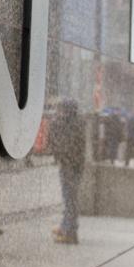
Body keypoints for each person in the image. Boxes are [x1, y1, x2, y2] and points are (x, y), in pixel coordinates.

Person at [50, 99, 86, 244]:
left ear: (66, 110)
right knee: (70, 198)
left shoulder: (68, 124)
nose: (59, 112)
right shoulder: (78, 122)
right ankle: (66, 226)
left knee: (70, 198)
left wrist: (59, 156)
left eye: (61, 109)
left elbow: (63, 145)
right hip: (75, 165)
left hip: (69, 166)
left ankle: (70, 232)